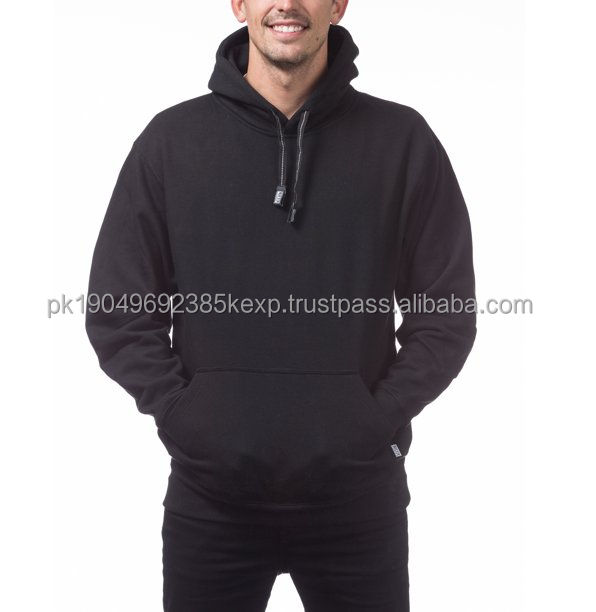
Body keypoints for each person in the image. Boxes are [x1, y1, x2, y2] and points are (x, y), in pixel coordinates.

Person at [85, 1, 477, 610]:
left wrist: (373, 419)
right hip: (211, 503)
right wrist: (187, 416)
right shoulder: (171, 141)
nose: (287, 4)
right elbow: (119, 308)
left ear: (338, 5)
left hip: (358, 503)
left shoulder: (402, 140)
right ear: (239, 4)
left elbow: (446, 311)